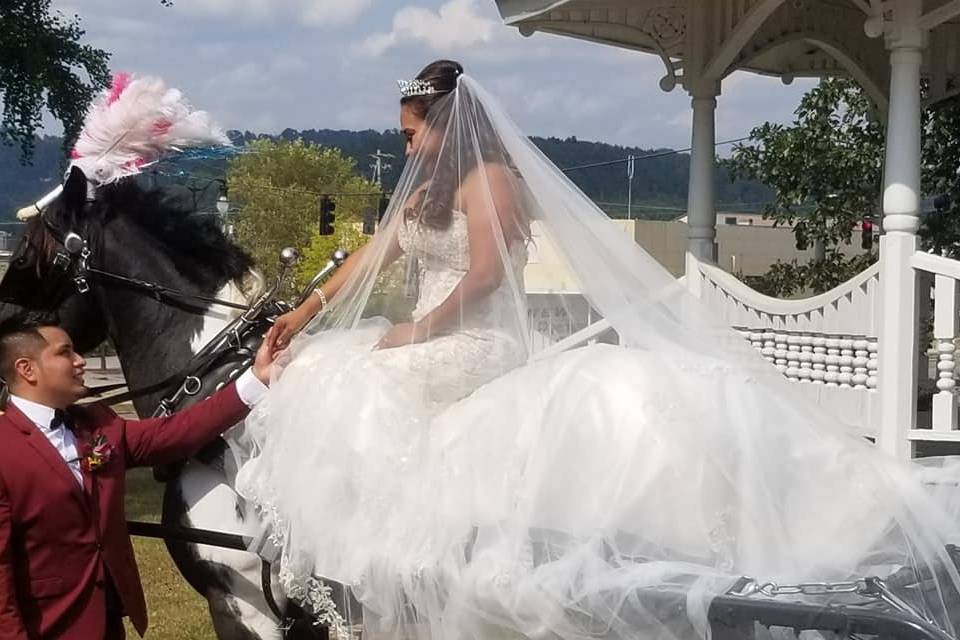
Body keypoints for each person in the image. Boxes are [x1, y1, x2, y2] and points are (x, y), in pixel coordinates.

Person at [231, 60, 960, 640]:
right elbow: (376, 254)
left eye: (410, 133)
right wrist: (304, 310)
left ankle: (381, 554)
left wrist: (417, 331)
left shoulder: (489, 182)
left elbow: (485, 277)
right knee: (332, 366)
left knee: (356, 386)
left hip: (476, 339)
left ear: (444, 126)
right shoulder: (425, 189)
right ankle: (362, 562)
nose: (404, 145)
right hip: (429, 333)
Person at [0, 314, 276, 640]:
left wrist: (256, 380)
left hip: (109, 617)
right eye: (65, 353)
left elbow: (175, 433)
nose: (79, 362)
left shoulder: (97, 424)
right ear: (26, 369)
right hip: (48, 625)